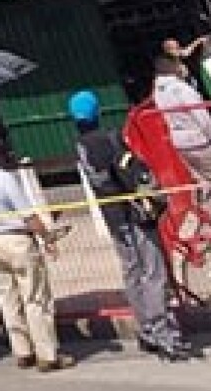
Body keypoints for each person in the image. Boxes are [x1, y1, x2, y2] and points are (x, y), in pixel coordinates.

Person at [69, 90, 194, 362]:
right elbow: (135, 173)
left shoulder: (80, 145)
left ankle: (147, 327)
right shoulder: (110, 140)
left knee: (133, 272)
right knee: (153, 272)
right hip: (135, 214)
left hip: (112, 217)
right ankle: (164, 333)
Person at [0, 132, 71, 372]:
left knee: (8, 298)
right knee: (35, 298)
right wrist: (48, 238)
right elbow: (29, 216)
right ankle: (47, 355)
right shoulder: (4, 178)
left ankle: (22, 351)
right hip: (17, 241)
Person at [153, 53, 211, 243]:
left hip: (181, 143)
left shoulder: (158, 91)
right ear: (173, 66)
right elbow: (203, 120)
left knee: (207, 187)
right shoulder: (182, 89)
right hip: (200, 140)